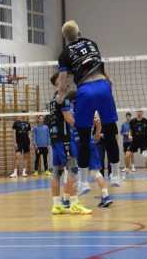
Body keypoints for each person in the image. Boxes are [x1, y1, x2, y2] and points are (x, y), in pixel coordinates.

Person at [56, 20, 120, 186]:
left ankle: (83, 182)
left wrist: (60, 98)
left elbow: (62, 82)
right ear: (79, 32)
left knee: (84, 138)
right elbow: (103, 69)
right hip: (103, 86)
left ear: (65, 37)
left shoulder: (64, 53)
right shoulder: (92, 44)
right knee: (111, 133)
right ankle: (116, 175)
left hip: (84, 91)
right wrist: (109, 85)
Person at [49, 74, 92, 215]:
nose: (66, 81)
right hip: (64, 139)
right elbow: (69, 119)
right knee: (73, 169)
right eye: (62, 80)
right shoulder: (63, 98)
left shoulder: (54, 98)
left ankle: (56, 205)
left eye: (66, 79)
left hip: (55, 139)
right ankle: (74, 203)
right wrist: (84, 125)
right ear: (57, 83)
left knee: (56, 172)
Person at [67, 93, 113, 208]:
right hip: (90, 142)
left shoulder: (68, 111)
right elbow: (98, 122)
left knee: (73, 171)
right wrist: (97, 134)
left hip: (77, 144)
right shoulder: (89, 108)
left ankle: (69, 200)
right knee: (95, 172)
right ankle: (106, 196)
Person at [126, 111, 147, 180]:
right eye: (138, 111)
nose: (139, 113)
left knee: (146, 157)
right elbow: (130, 130)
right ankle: (127, 172)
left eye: (140, 111)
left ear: (142, 112)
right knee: (127, 155)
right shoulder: (132, 121)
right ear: (136, 112)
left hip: (143, 142)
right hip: (134, 141)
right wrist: (129, 135)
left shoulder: (146, 121)